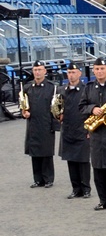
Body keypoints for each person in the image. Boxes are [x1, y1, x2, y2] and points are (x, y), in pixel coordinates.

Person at [80, 57, 106, 210]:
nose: (99, 71)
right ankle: (103, 200)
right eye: (96, 69)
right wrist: (92, 109)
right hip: (96, 133)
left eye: (102, 68)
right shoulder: (89, 87)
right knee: (98, 168)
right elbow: (81, 107)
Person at [56, 62, 91, 198]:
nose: (71, 75)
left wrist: (89, 130)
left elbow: (89, 110)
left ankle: (86, 188)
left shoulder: (86, 89)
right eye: (69, 73)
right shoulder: (62, 90)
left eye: (74, 72)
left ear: (80, 74)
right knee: (71, 161)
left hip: (82, 128)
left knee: (83, 161)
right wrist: (58, 116)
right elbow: (56, 108)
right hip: (68, 129)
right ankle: (76, 188)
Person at [22, 60, 57, 188]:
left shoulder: (51, 87)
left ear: (45, 71)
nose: (37, 72)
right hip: (32, 124)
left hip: (46, 123)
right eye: (35, 70)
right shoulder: (27, 88)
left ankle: (48, 179)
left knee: (46, 151)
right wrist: (24, 112)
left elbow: (56, 107)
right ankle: (38, 179)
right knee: (34, 152)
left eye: (40, 70)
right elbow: (24, 105)